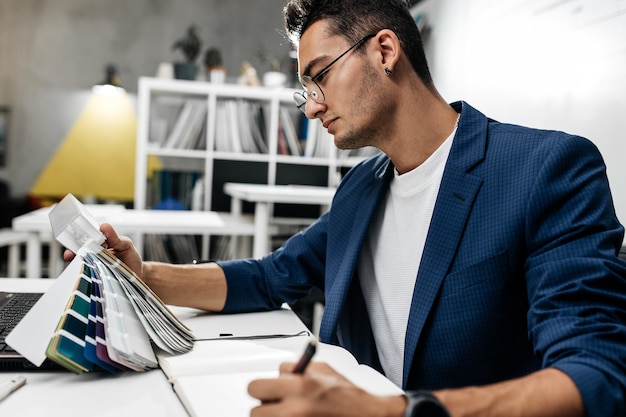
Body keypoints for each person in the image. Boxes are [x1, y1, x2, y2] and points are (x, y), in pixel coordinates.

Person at [74, 0, 626, 415]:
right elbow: (272, 277)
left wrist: (392, 412)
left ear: (385, 51)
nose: (312, 107)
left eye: (318, 76)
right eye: (305, 87)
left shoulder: (546, 169)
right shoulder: (362, 188)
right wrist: (145, 277)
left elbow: (595, 376)